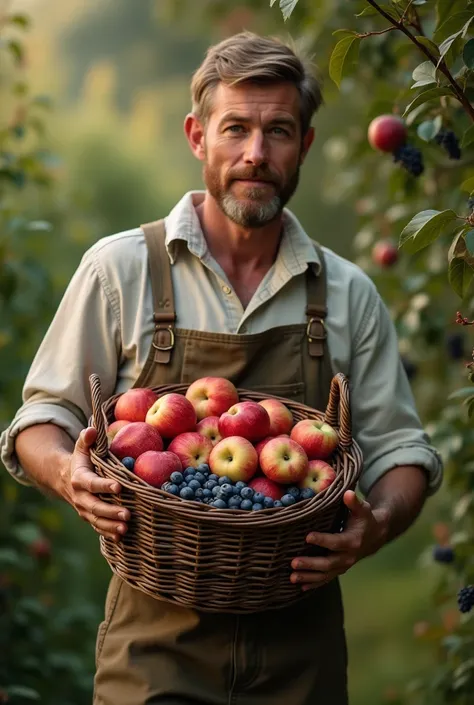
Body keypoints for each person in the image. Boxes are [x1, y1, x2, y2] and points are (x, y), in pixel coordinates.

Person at [1, 31, 442, 705]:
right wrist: (67, 471)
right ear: (197, 136)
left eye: (279, 131)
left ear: (307, 145)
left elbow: (403, 451)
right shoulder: (122, 271)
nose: (256, 155)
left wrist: (377, 521)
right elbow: (42, 415)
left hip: (302, 657)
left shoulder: (348, 293)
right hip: (154, 653)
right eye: (235, 129)